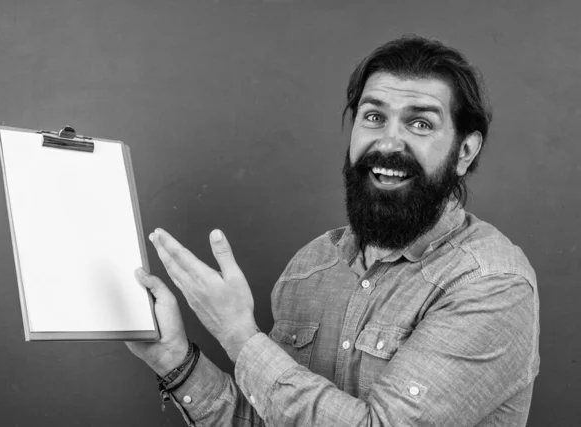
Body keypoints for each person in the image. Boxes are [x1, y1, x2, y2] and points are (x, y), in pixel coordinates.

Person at [126, 35, 540, 426]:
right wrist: (174, 359)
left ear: (465, 152)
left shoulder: (491, 282)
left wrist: (239, 337)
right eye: (374, 117)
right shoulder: (311, 267)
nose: (389, 143)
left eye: (420, 124)